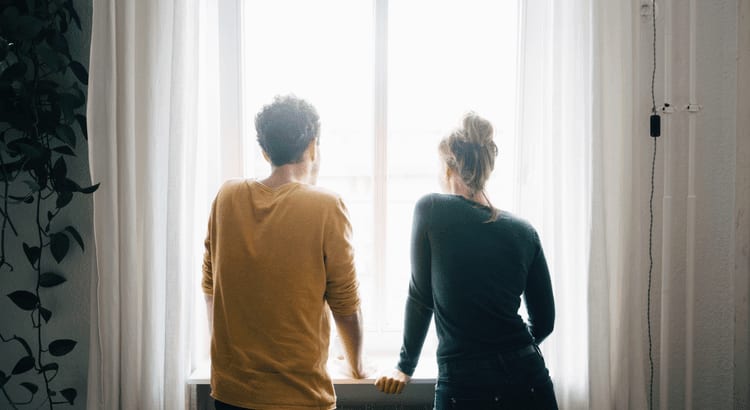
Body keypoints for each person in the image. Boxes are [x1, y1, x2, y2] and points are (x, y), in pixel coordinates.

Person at [374, 113, 558, 409]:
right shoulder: (524, 232)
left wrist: (404, 367)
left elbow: (421, 298)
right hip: (528, 379)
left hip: (465, 384)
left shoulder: (432, 209)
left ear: (448, 169)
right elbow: (545, 322)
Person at [202, 95, 367, 410]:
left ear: (265, 152)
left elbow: (211, 286)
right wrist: (358, 365)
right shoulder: (326, 205)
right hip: (300, 395)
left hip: (231, 393)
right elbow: (345, 306)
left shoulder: (227, 197)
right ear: (313, 146)